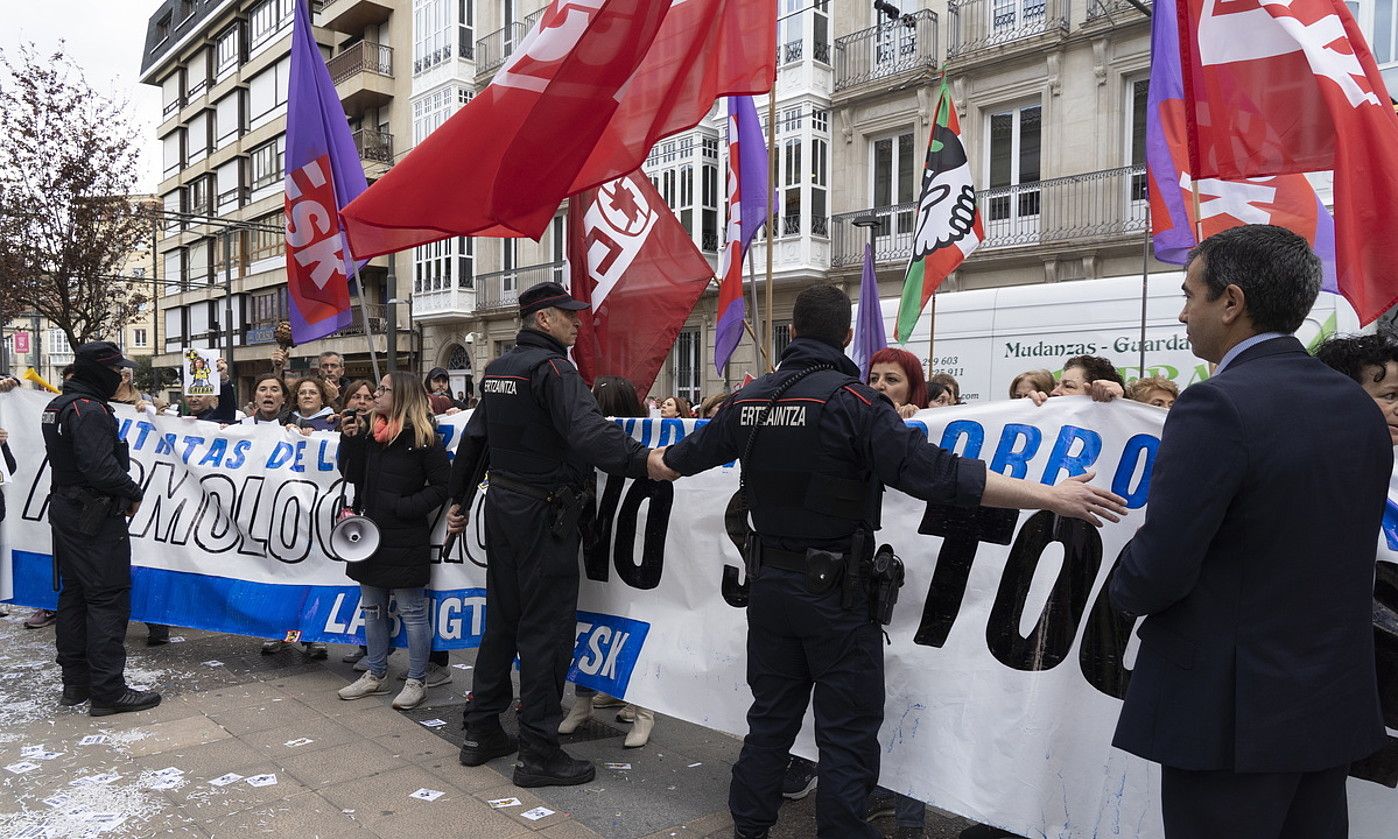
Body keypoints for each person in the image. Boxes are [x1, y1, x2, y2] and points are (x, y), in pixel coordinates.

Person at [658, 284, 1126, 839]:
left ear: (790, 334)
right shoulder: (855, 406)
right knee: (847, 737)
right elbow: (943, 477)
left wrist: (598, 449)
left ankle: (749, 830)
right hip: (834, 597)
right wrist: (1050, 496)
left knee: (769, 722)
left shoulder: (749, 401)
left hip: (770, 589)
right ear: (849, 337)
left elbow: (671, 463)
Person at [1109, 225, 1391, 839]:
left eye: (1190, 294)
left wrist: (1118, 590)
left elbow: (1163, 563)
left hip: (1230, 715)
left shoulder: (1217, 405)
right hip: (1327, 703)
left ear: (1231, 302)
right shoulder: (1358, 410)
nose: (1183, 314)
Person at [444, 281, 670, 788]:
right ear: (543, 319)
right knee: (547, 633)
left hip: (501, 508)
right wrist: (645, 462)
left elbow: (476, 438)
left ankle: (481, 732)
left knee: (502, 622)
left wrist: (459, 500)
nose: (577, 322)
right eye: (569, 315)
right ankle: (539, 753)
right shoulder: (554, 370)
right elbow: (588, 433)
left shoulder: (500, 369)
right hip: (544, 513)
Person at [41, 341, 162, 717]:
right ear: (96, 371)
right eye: (115, 370)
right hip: (92, 514)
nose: (121, 377)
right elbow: (99, 468)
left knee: (75, 595)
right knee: (107, 597)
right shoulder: (89, 410)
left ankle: (76, 683)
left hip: (68, 508)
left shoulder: (58, 406)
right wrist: (132, 491)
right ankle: (108, 690)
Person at [335, 372, 450, 710]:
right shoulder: (373, 435)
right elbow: (351, 475)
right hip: (369, 534)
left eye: (383, 390)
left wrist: (406, 506)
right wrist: (351, 440)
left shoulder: (423, 438)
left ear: (400, 395)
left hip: (404, 535)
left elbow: (443, 485)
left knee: (413, 611)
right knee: (372, 609)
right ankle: (376, 674)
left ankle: (417, 680)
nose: (375, 394)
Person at [557, 375, 659, 748]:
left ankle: (643, 710)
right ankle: (583, 702)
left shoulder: (643, 441)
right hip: (593, 544)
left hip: (633, 549)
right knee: (589, 622)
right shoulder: (582, 442)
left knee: (634, 624)